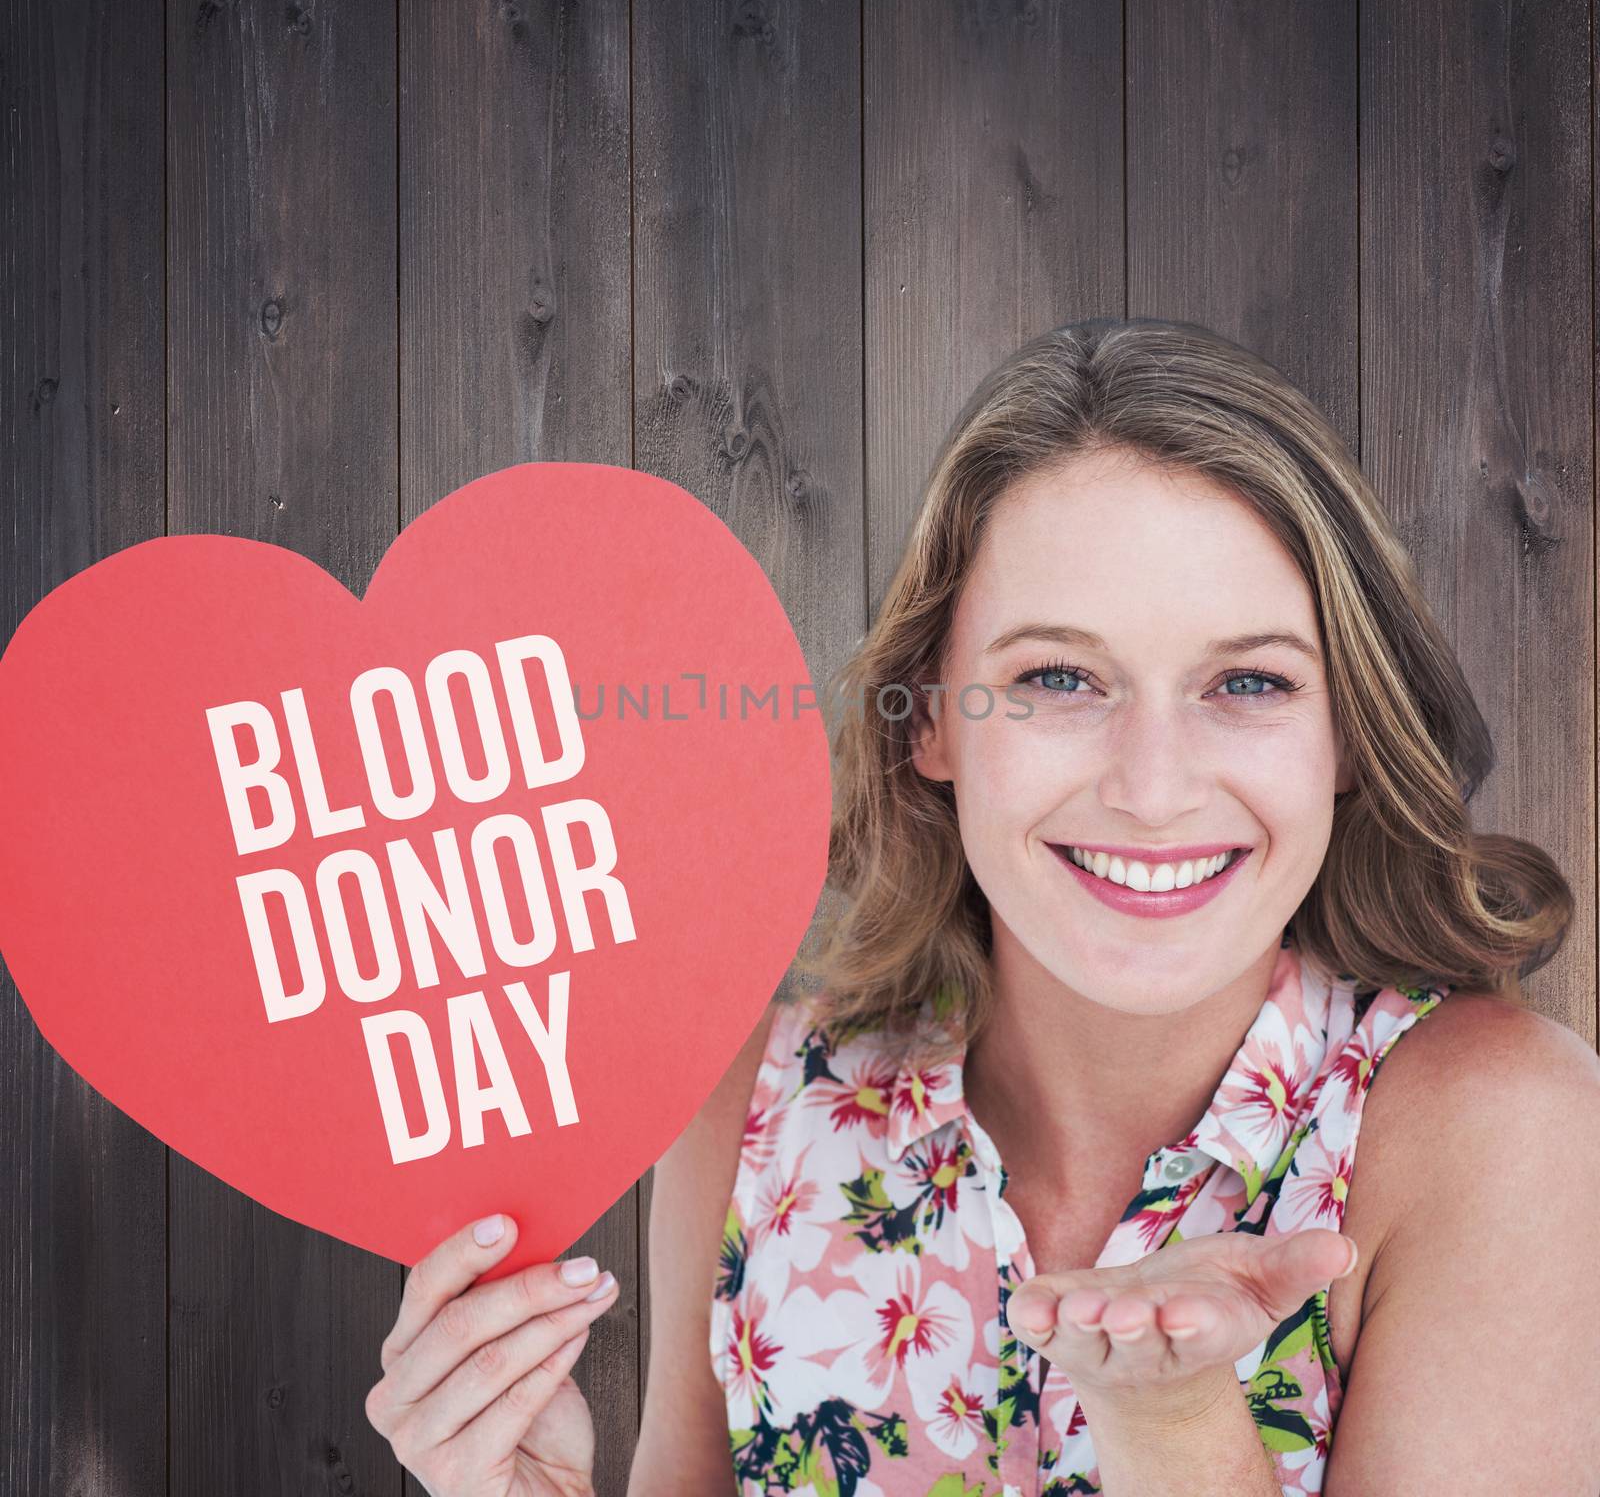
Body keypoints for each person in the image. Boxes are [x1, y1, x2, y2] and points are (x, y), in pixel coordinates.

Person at [363, 318, 1600, 1495]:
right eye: (1058, 677)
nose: (1154, 790)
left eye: (1248, 681)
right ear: (932, 719)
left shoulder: (1496, 1130)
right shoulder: (753, 1102)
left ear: (1345, 736)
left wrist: (1171, 1424)